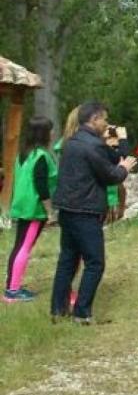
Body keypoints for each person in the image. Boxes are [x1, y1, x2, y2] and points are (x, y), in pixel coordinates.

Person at [50, 102, 137, 323]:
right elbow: (111, 176)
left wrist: (118, 143)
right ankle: (82, 312)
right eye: (104, 119)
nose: (107, 124)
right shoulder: (93, 145)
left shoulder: (71, 141)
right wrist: (124, 168)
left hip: (67, 209)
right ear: (94, 119)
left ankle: (58, 310)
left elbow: (113, 155)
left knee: (67, 259)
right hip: (85, 210)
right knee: (95, 262)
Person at [5, 116, 57, 303]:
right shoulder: (41, 156)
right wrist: (50, 212)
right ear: (43, 133)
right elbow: (41, 187)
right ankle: (13, 291)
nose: (53, 133)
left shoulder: (24, 153)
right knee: (24, 247)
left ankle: (12, 285)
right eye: (50, 130)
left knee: (19, 246)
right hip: (34, 209)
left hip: (22, 205)